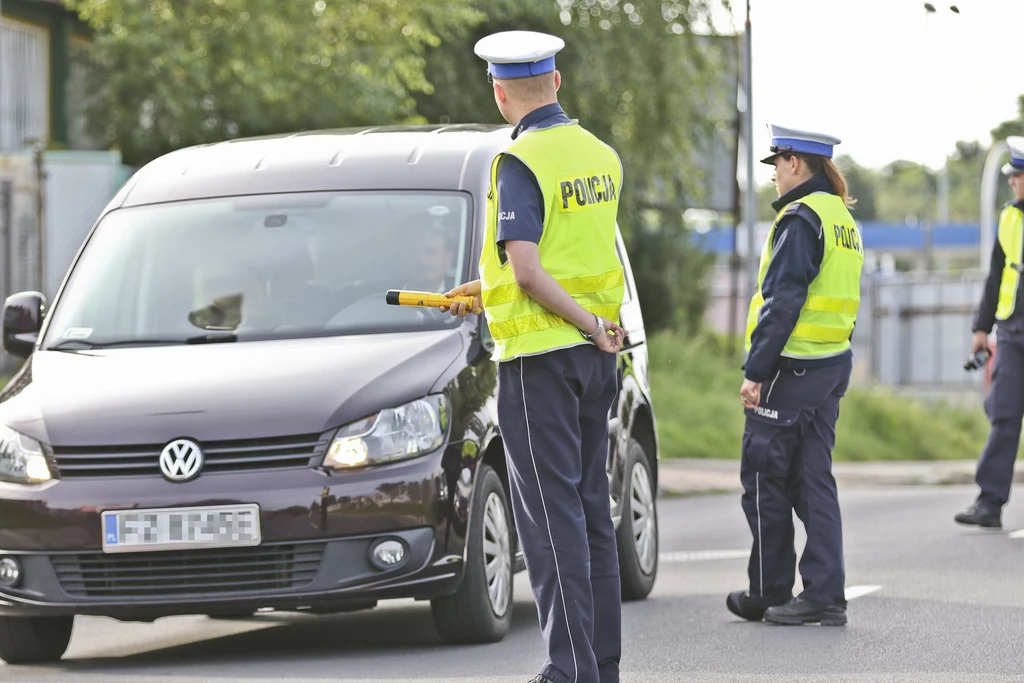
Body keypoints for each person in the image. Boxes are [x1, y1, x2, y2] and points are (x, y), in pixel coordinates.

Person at [441, 30, 626, 683]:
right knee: (589, 510)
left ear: (498, 91)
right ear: (557, 81)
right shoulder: (601, 154)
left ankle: (567, 668)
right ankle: (600, 664)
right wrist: (485, 289)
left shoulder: (517, 161)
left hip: (541, 360)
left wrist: (575, 320)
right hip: (596, 360)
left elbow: (527, 271)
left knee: (550, 521)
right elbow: (565, 261)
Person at [727, 124, 865, 628]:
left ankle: (768, 591)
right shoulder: (841, 218)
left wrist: (755, 372)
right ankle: (825, 594)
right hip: (830, 365)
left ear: (794, 164)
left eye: (776, 166)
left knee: (763, 477)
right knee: (812, 480)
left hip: (791, 367)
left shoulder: (802, 218)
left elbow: (783, 302)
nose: (773, 178)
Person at [955, 136, 1024, 529]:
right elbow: (997, 274)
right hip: (1013, 332)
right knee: (1004, 414)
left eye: (1017, 175)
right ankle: (989, 503)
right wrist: (982, 328)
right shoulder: (1010, 217)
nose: (1012, 181)